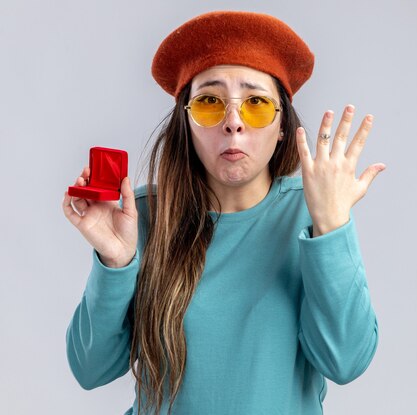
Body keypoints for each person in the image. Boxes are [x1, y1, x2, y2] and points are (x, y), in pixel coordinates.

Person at [62, 10, 385, 415]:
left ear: (282, 124)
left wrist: (332, 228)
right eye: (211, 102)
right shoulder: (141, 217)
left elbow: (346, 362)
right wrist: (115, 261)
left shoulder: (314, 210)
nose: (233, 123)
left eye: (256, 103)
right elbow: (90, 369)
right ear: (187, 122)